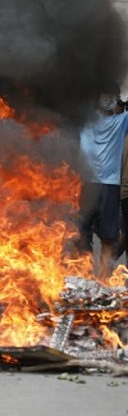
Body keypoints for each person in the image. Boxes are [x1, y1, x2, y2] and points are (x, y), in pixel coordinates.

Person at [79, 81, 128, 278]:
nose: (108, 99)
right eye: (104, 94)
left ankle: (103, 280)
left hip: (110, 184)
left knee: (109, 236)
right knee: (81, 233)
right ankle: (82, 277)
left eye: (112, 95)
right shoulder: (83, 119)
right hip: (85, 183)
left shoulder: (122, 121)